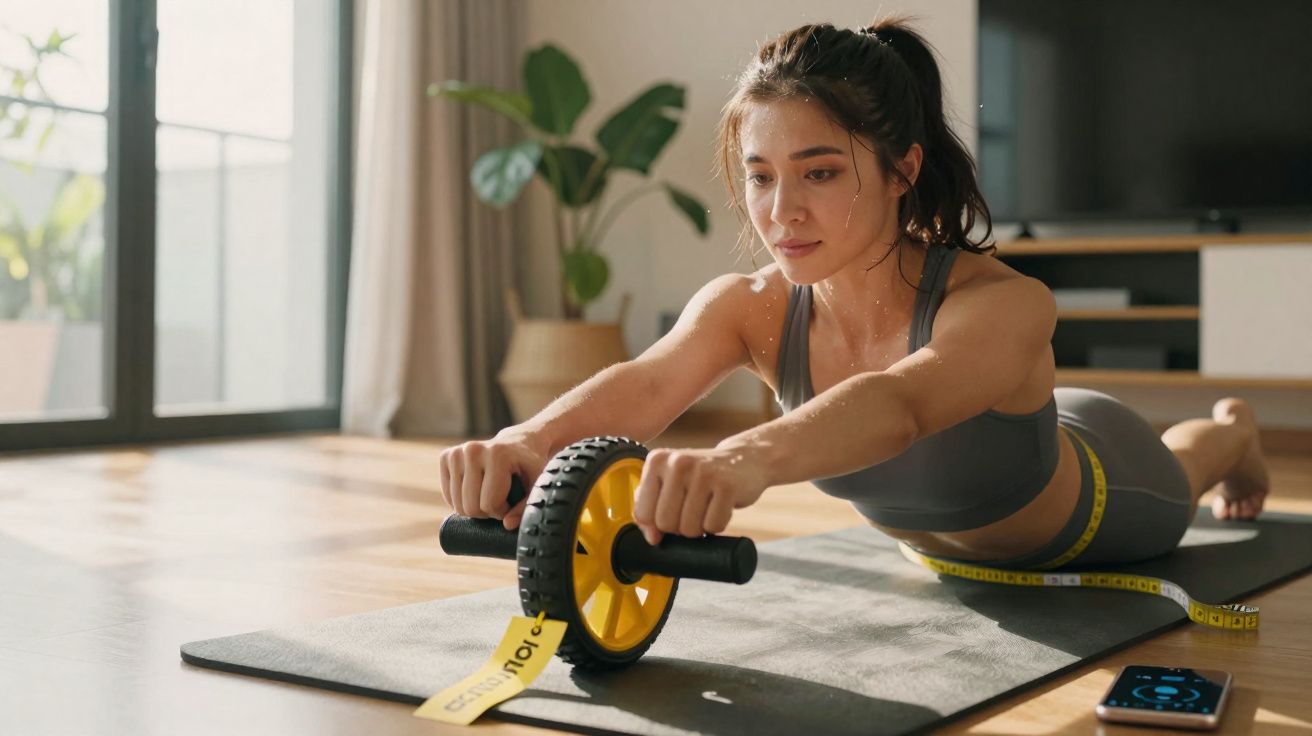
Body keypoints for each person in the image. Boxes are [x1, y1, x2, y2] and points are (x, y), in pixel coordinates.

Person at [437, 18, 1270, 570]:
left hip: (1096, 502)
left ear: (903, 167)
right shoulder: (751, 307)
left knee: (1184, 469)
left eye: (821, 172)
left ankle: (1233, 433)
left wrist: (738, 459)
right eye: (760, 177)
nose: (781, 211)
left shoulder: (1004, 303)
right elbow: (650, 383)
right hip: (960, 518)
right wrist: (525, 440)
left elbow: (901, 406)